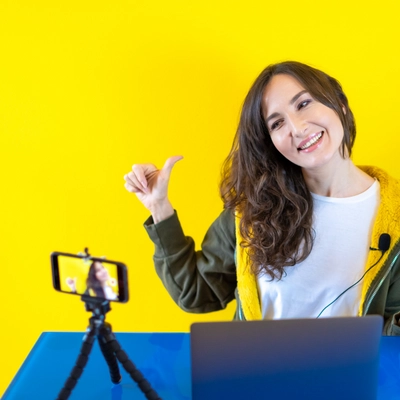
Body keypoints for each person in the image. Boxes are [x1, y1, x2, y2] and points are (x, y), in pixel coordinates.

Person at [124, 61, 400, 336]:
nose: (298, 128)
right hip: (255, 375)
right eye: (277, 123)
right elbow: (196, 293)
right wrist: (159, 206)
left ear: (339, 104)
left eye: (303, 104)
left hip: (348, 378)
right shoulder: (254, 208)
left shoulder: (395, 217)